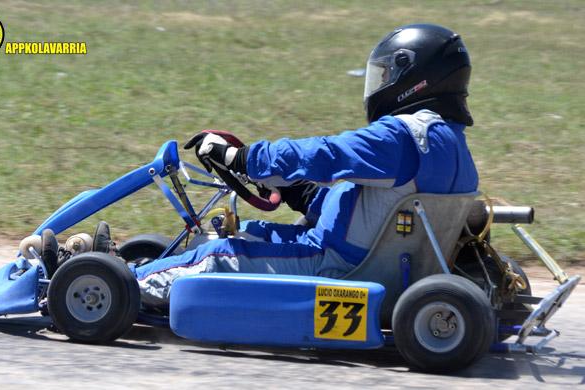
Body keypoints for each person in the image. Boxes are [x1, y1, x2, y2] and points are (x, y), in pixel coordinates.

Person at [43, 23, 478, 309]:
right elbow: (373, 209)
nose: (377, 87)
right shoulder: (446, 142)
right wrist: (299, 193)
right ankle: (128, 269)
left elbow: (326, 154)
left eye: (385, 76)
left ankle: (102, 285)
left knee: (219, 255)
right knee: (249, 233)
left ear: (411, 78)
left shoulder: (401, 137)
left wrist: (248, 158)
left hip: (333, 265)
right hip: (371, 257)